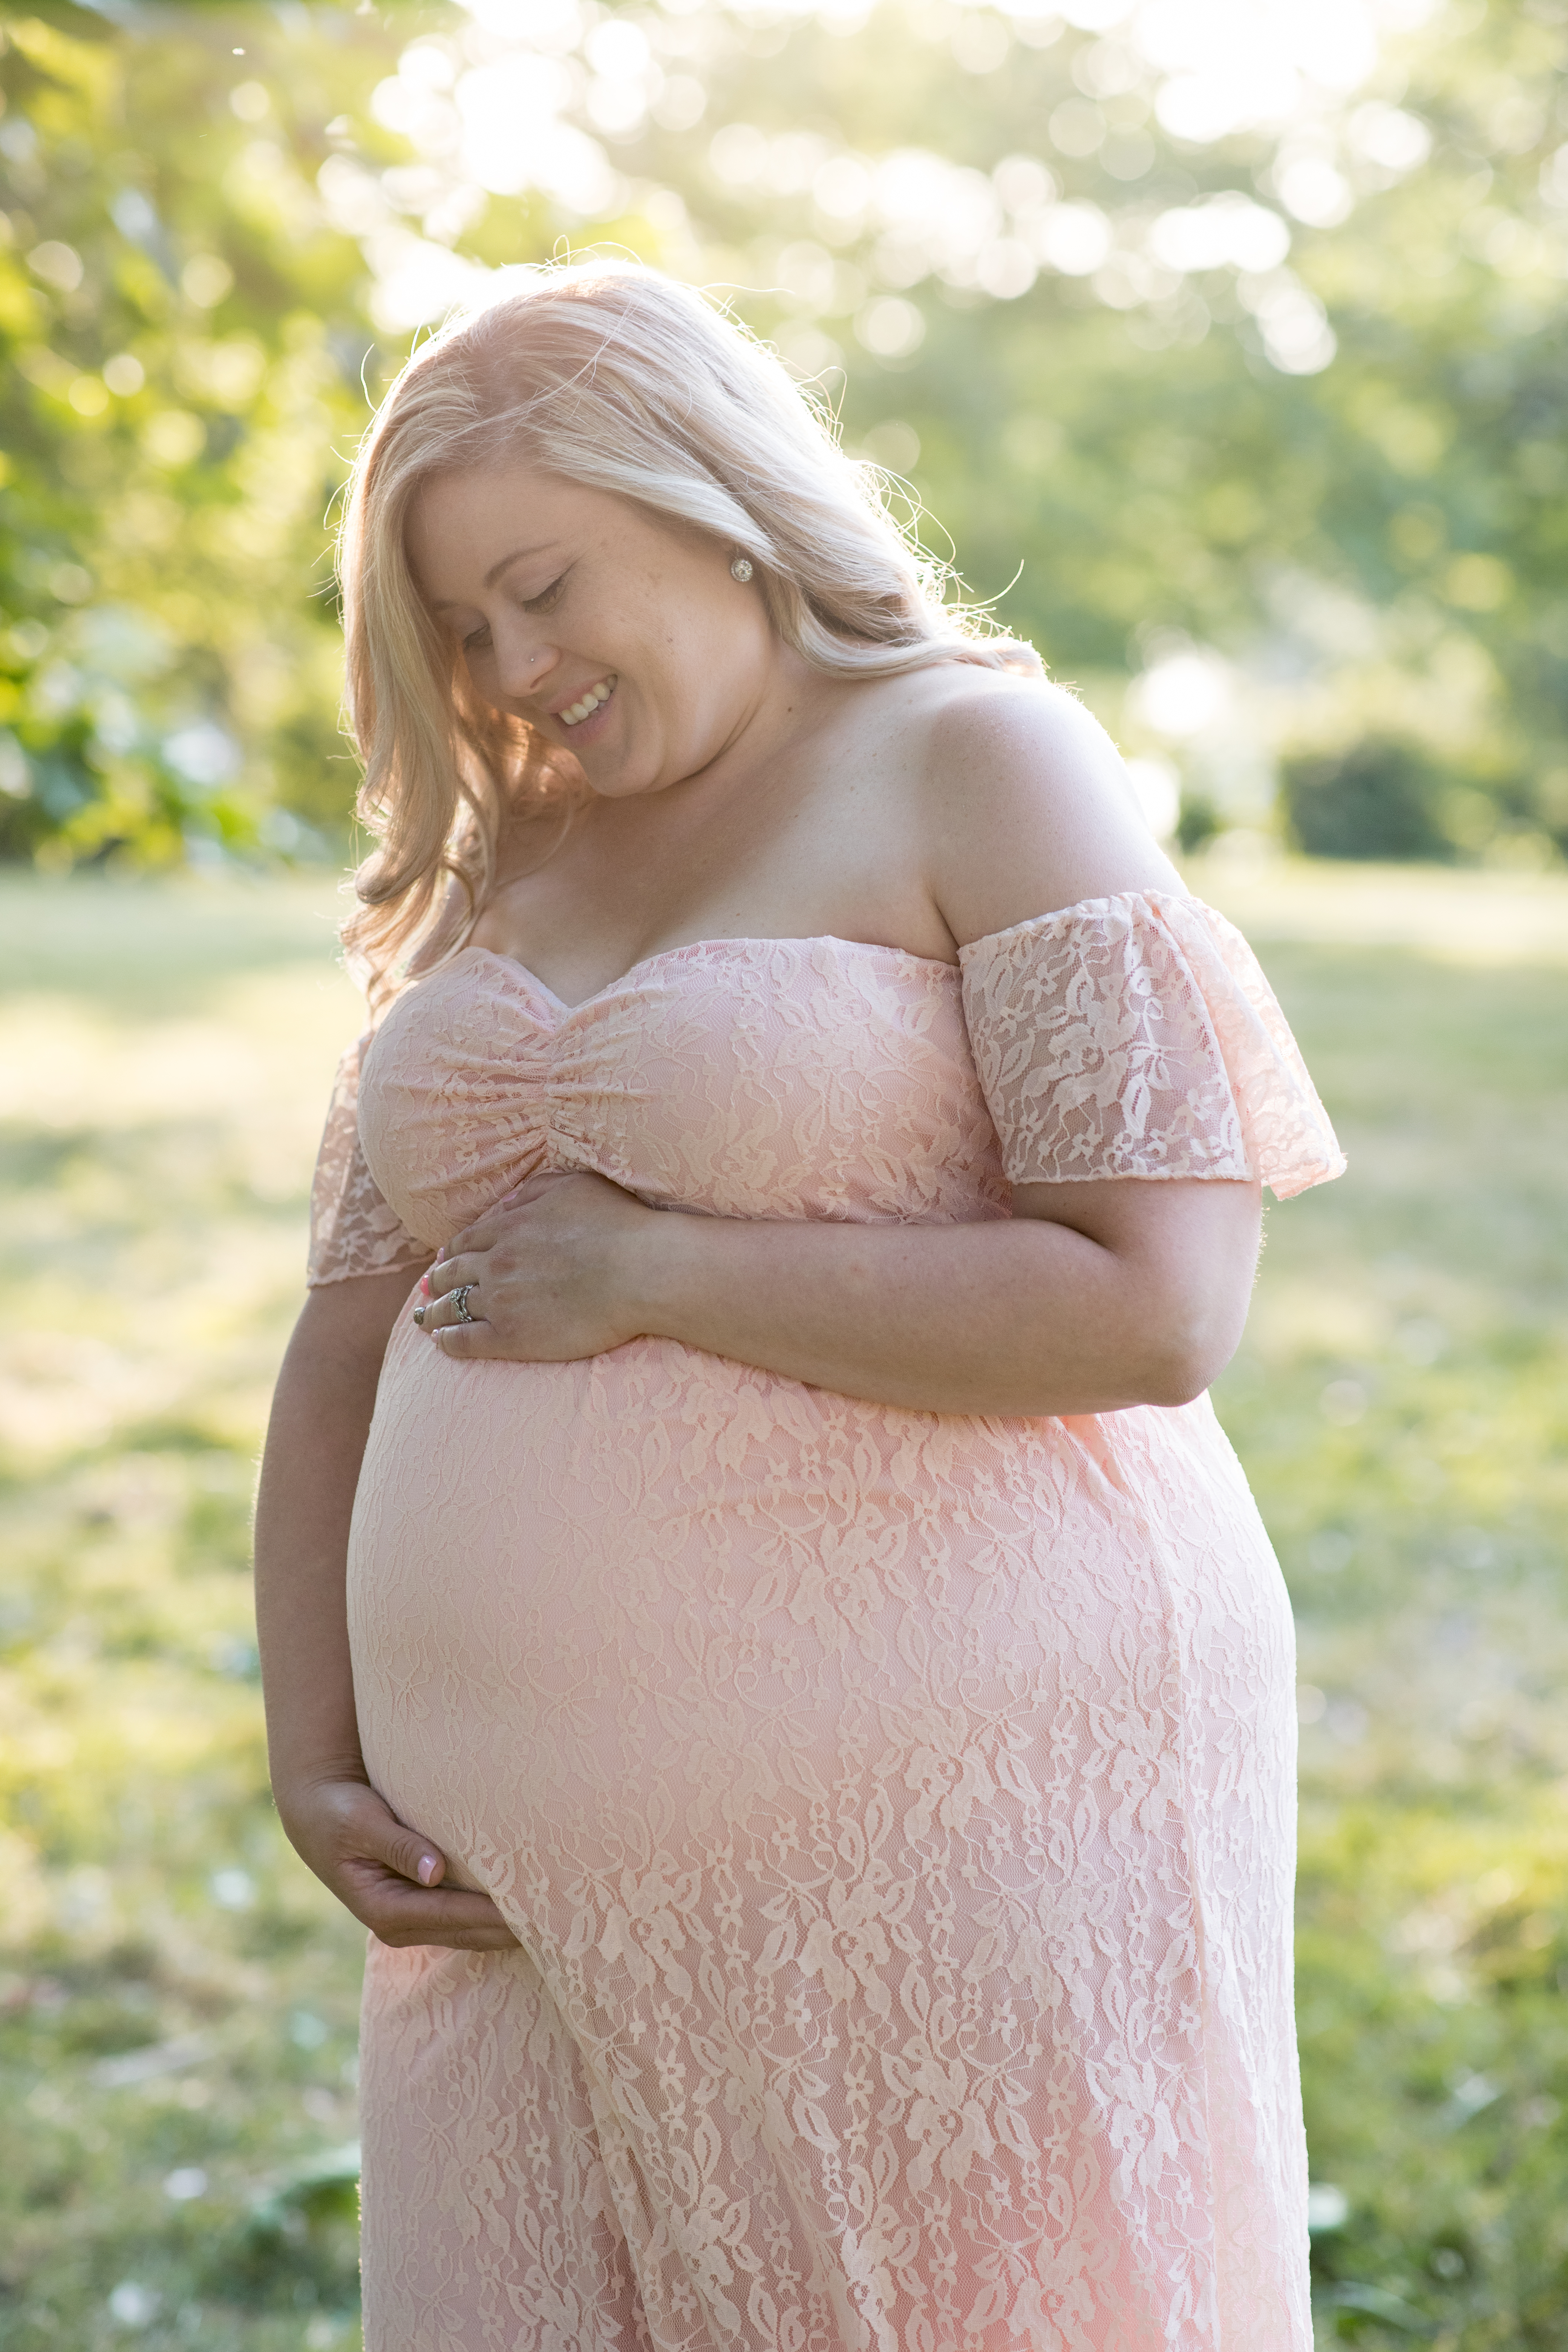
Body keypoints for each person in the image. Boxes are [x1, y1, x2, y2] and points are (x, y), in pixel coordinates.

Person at [254, 260, 1344, 2352]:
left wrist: (664, 1271)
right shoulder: (508, 865)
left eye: (546, 584)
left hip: (959, 1823)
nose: (515, 663)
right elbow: (341, 1344)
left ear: (710, 486)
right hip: (513, 1900)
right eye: (464, 629)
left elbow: (1158, 1301)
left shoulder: (975, 757)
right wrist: (316, 1756)